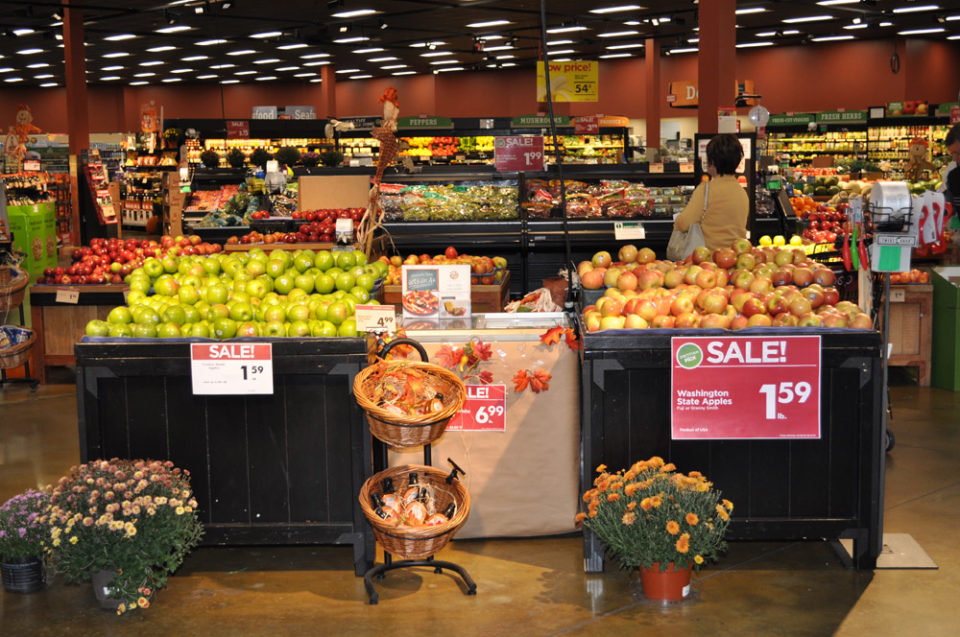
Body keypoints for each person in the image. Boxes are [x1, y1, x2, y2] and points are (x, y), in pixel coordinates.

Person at [673, 133, 749, 251]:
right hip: (736, 258)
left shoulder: (705, 190)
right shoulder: (742, 192)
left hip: (711, 260)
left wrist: (677, 219)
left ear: (712, 161)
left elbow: (684, 224)